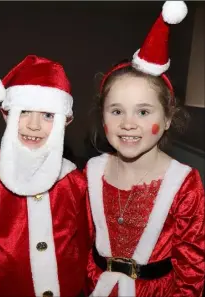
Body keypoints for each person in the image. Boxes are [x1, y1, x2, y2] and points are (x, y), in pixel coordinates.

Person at [84, 2, 205, 297]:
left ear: (166, 119)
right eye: (116, 111)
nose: (128, 124)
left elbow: (191, 272)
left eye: (143, 112)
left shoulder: (184, 184)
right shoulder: (90, 172)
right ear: (103, 117)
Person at [0, 55, 88, 297]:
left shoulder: (74, 180)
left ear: (65, 121)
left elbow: (83, 245)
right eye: (24, 112)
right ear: (7, 115)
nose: (34, 125)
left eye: (47, 115)